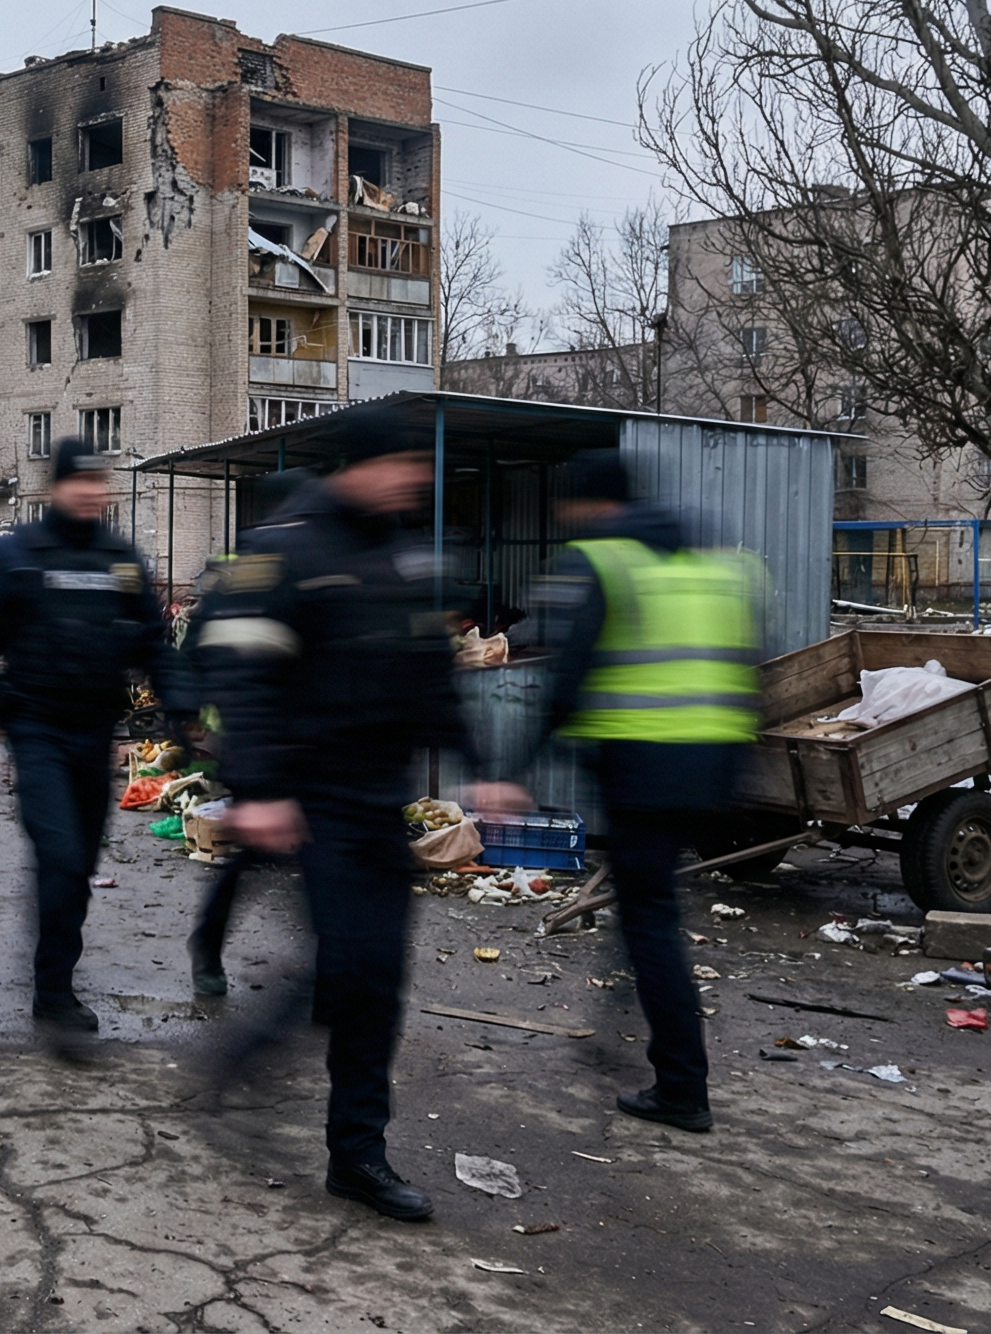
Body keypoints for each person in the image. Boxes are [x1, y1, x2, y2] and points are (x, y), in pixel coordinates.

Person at [199, 406, 529, 1222]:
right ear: (359, 468)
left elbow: (430, 677)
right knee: (351, 966)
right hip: (311, 800)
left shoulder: (402, 557)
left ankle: (357, 1157)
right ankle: (259, 1063)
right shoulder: (282, 549)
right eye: (402, 466)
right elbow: (238, 675)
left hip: (379, 801)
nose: (414, 481)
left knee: (373, 981)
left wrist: (481, 774)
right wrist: (261, 787)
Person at [527, 449, 765, 1134]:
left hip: (639, 770)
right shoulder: (723, 568)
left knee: (652, 919)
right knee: (644, 906)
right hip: (710, 772)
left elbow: (565, 682)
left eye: (569, 506)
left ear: (593, 505)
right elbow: (750, 669)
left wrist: (519, 768)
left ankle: (683, 1086)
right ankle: (615, 1026)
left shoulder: (605, 563)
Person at [0, 438, 176, 1049]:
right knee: (62, 856)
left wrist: (183, 713)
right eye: (82, 483)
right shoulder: (19, 555)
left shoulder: (120, 559)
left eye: (100, 483)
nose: (93, 493)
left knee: (80, 867)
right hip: (37, 731)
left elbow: (154, 644)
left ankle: (56, 974)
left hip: (95, 734)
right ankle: (53, 995)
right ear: (58, 488)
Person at [179, 466, 318, 998]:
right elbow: (205, 653)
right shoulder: (254, 572)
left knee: (285, 854)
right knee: (262, 854)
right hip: (259, 741)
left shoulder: (285, 565)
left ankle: (317, 964)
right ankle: (210, 947)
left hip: (292, 741)